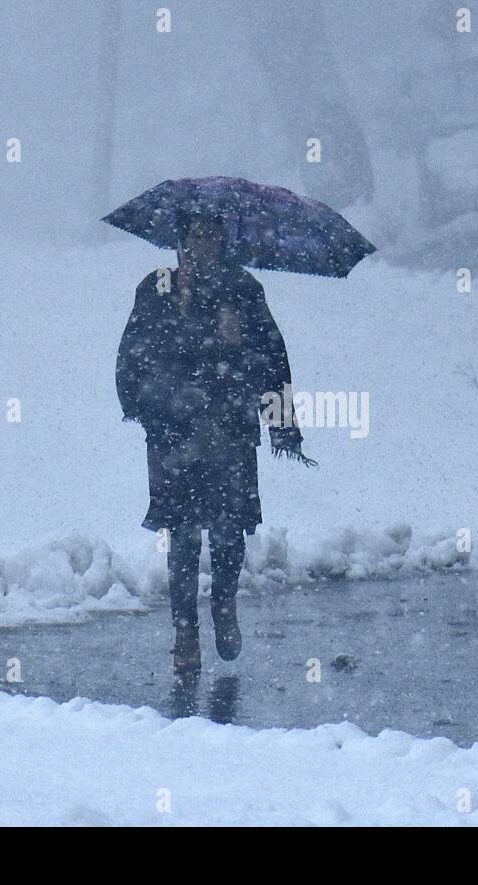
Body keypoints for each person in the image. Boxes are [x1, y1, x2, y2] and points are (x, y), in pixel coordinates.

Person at [116, 211, 310, 676]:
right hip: (174, 431)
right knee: (182, 535)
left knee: (228, 528)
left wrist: (279, 421)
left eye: (214, 235)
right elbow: (133, 354)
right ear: (181, 240)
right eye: (197, 235)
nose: (205, 244)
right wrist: (158, 399)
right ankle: (185, 631)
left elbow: (272, 356)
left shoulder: (243, 289)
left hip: (230, 426)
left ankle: (223, 603)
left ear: (225, 240)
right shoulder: (158, 287)